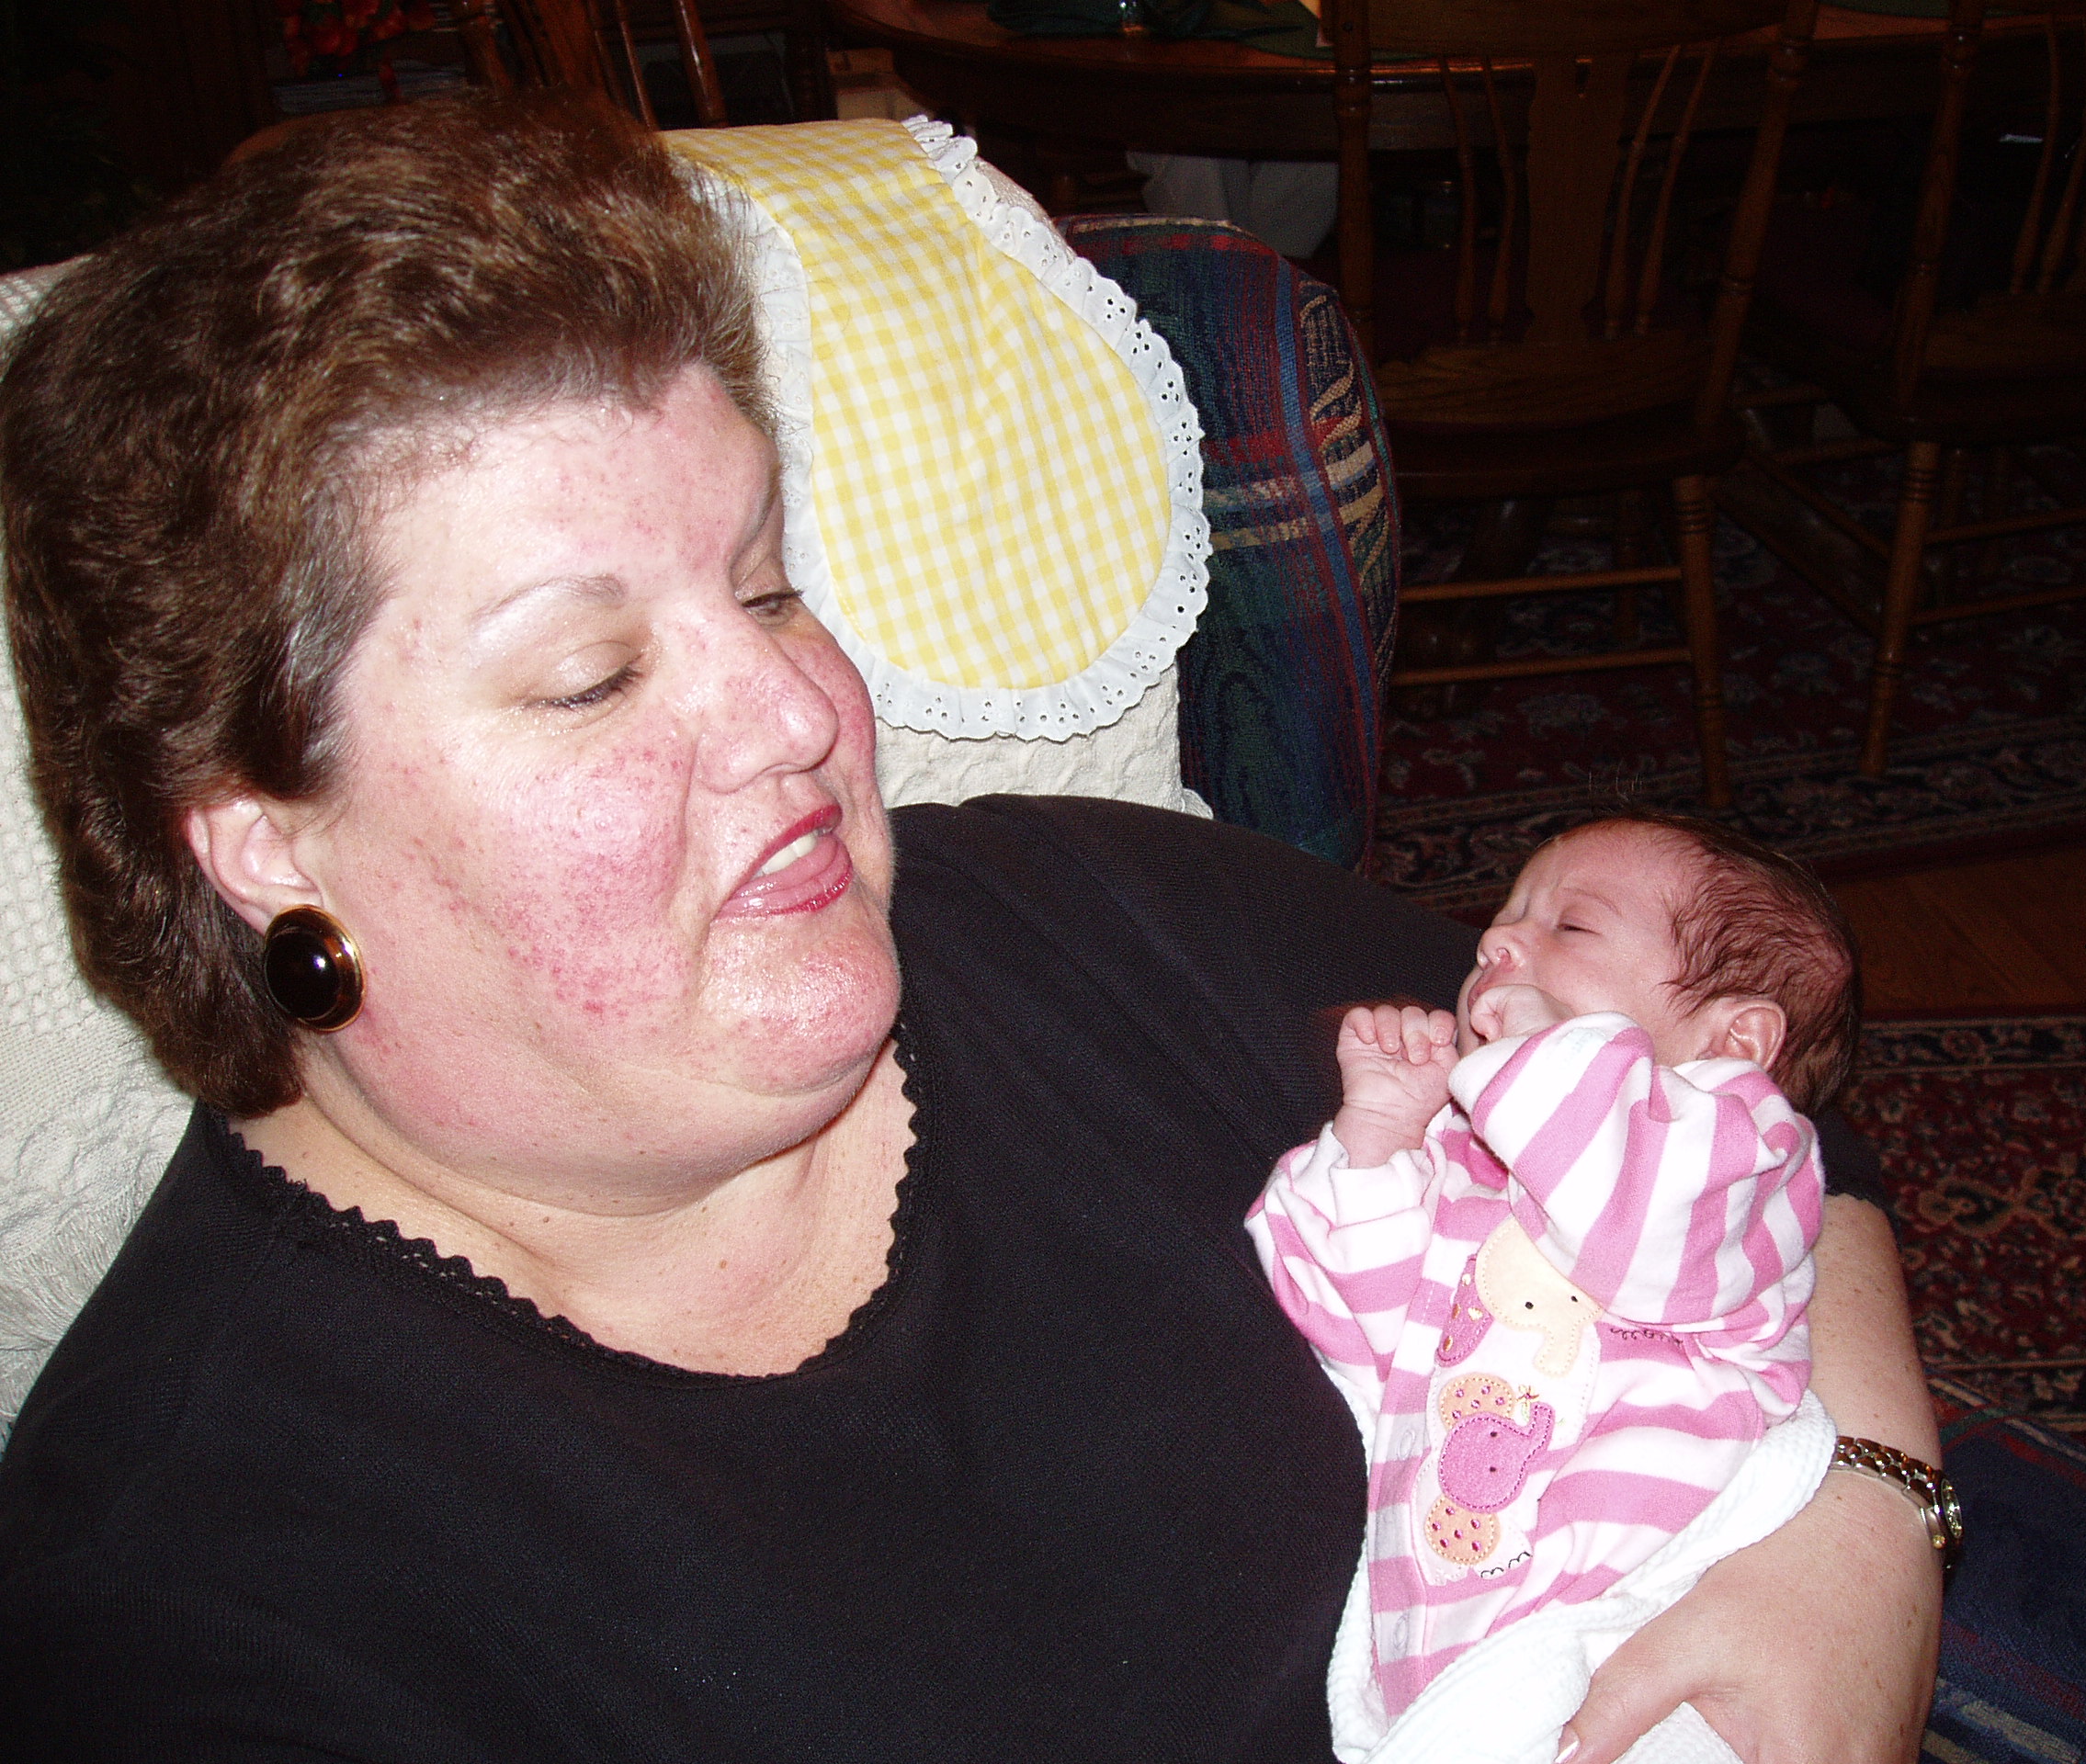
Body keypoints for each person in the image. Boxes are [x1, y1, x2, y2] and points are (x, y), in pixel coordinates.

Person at [0, 89, 1944, 1761]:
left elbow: (1756, 1102)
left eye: (765, 588)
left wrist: (1865, 1519)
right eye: (591, 673)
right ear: (259, 841)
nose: (796, 711)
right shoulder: (198, 1607)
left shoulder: (1079, 911)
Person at [1252, 816, 1862, 1758]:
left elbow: (1625, 1219)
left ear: (1736, 1038)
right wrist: (1378, 1142)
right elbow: (1371, 1337)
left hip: (1630, 1628)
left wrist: (1537, 1053)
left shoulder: (1742, 1163)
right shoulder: (1472, 1159)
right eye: (1504, 916)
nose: (1496, 941)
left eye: (1570, 927)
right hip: (1452, 1649)